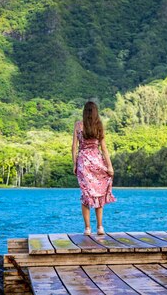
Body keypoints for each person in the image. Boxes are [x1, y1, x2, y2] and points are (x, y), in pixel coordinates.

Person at [72, 101, 115, 235]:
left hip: (83, 162)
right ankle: (100, 227)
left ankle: (87, 228)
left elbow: (74, 147)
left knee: (86, 194)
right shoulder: (99, 125)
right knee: (99, 193)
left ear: (85, 112)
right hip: (97, 161)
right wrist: (109, 166)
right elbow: (104, 148)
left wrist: (74, 164)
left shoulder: (78, 125)